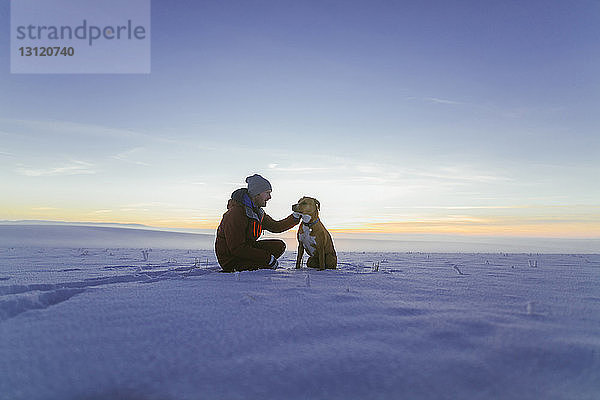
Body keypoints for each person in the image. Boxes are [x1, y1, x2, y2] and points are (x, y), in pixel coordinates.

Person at [215, 174, 300, 272]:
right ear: (257, 193)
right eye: (267, 193)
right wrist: (267, 258)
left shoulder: (256, 212)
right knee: (265, 262)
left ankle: (258, 264)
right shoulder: (236, 213)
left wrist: (295, 217)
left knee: (278, 246)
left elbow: (275, 226)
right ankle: (253, 266)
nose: (269, 197)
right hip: (232, 260)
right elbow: (237, 248)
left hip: (245, 251)